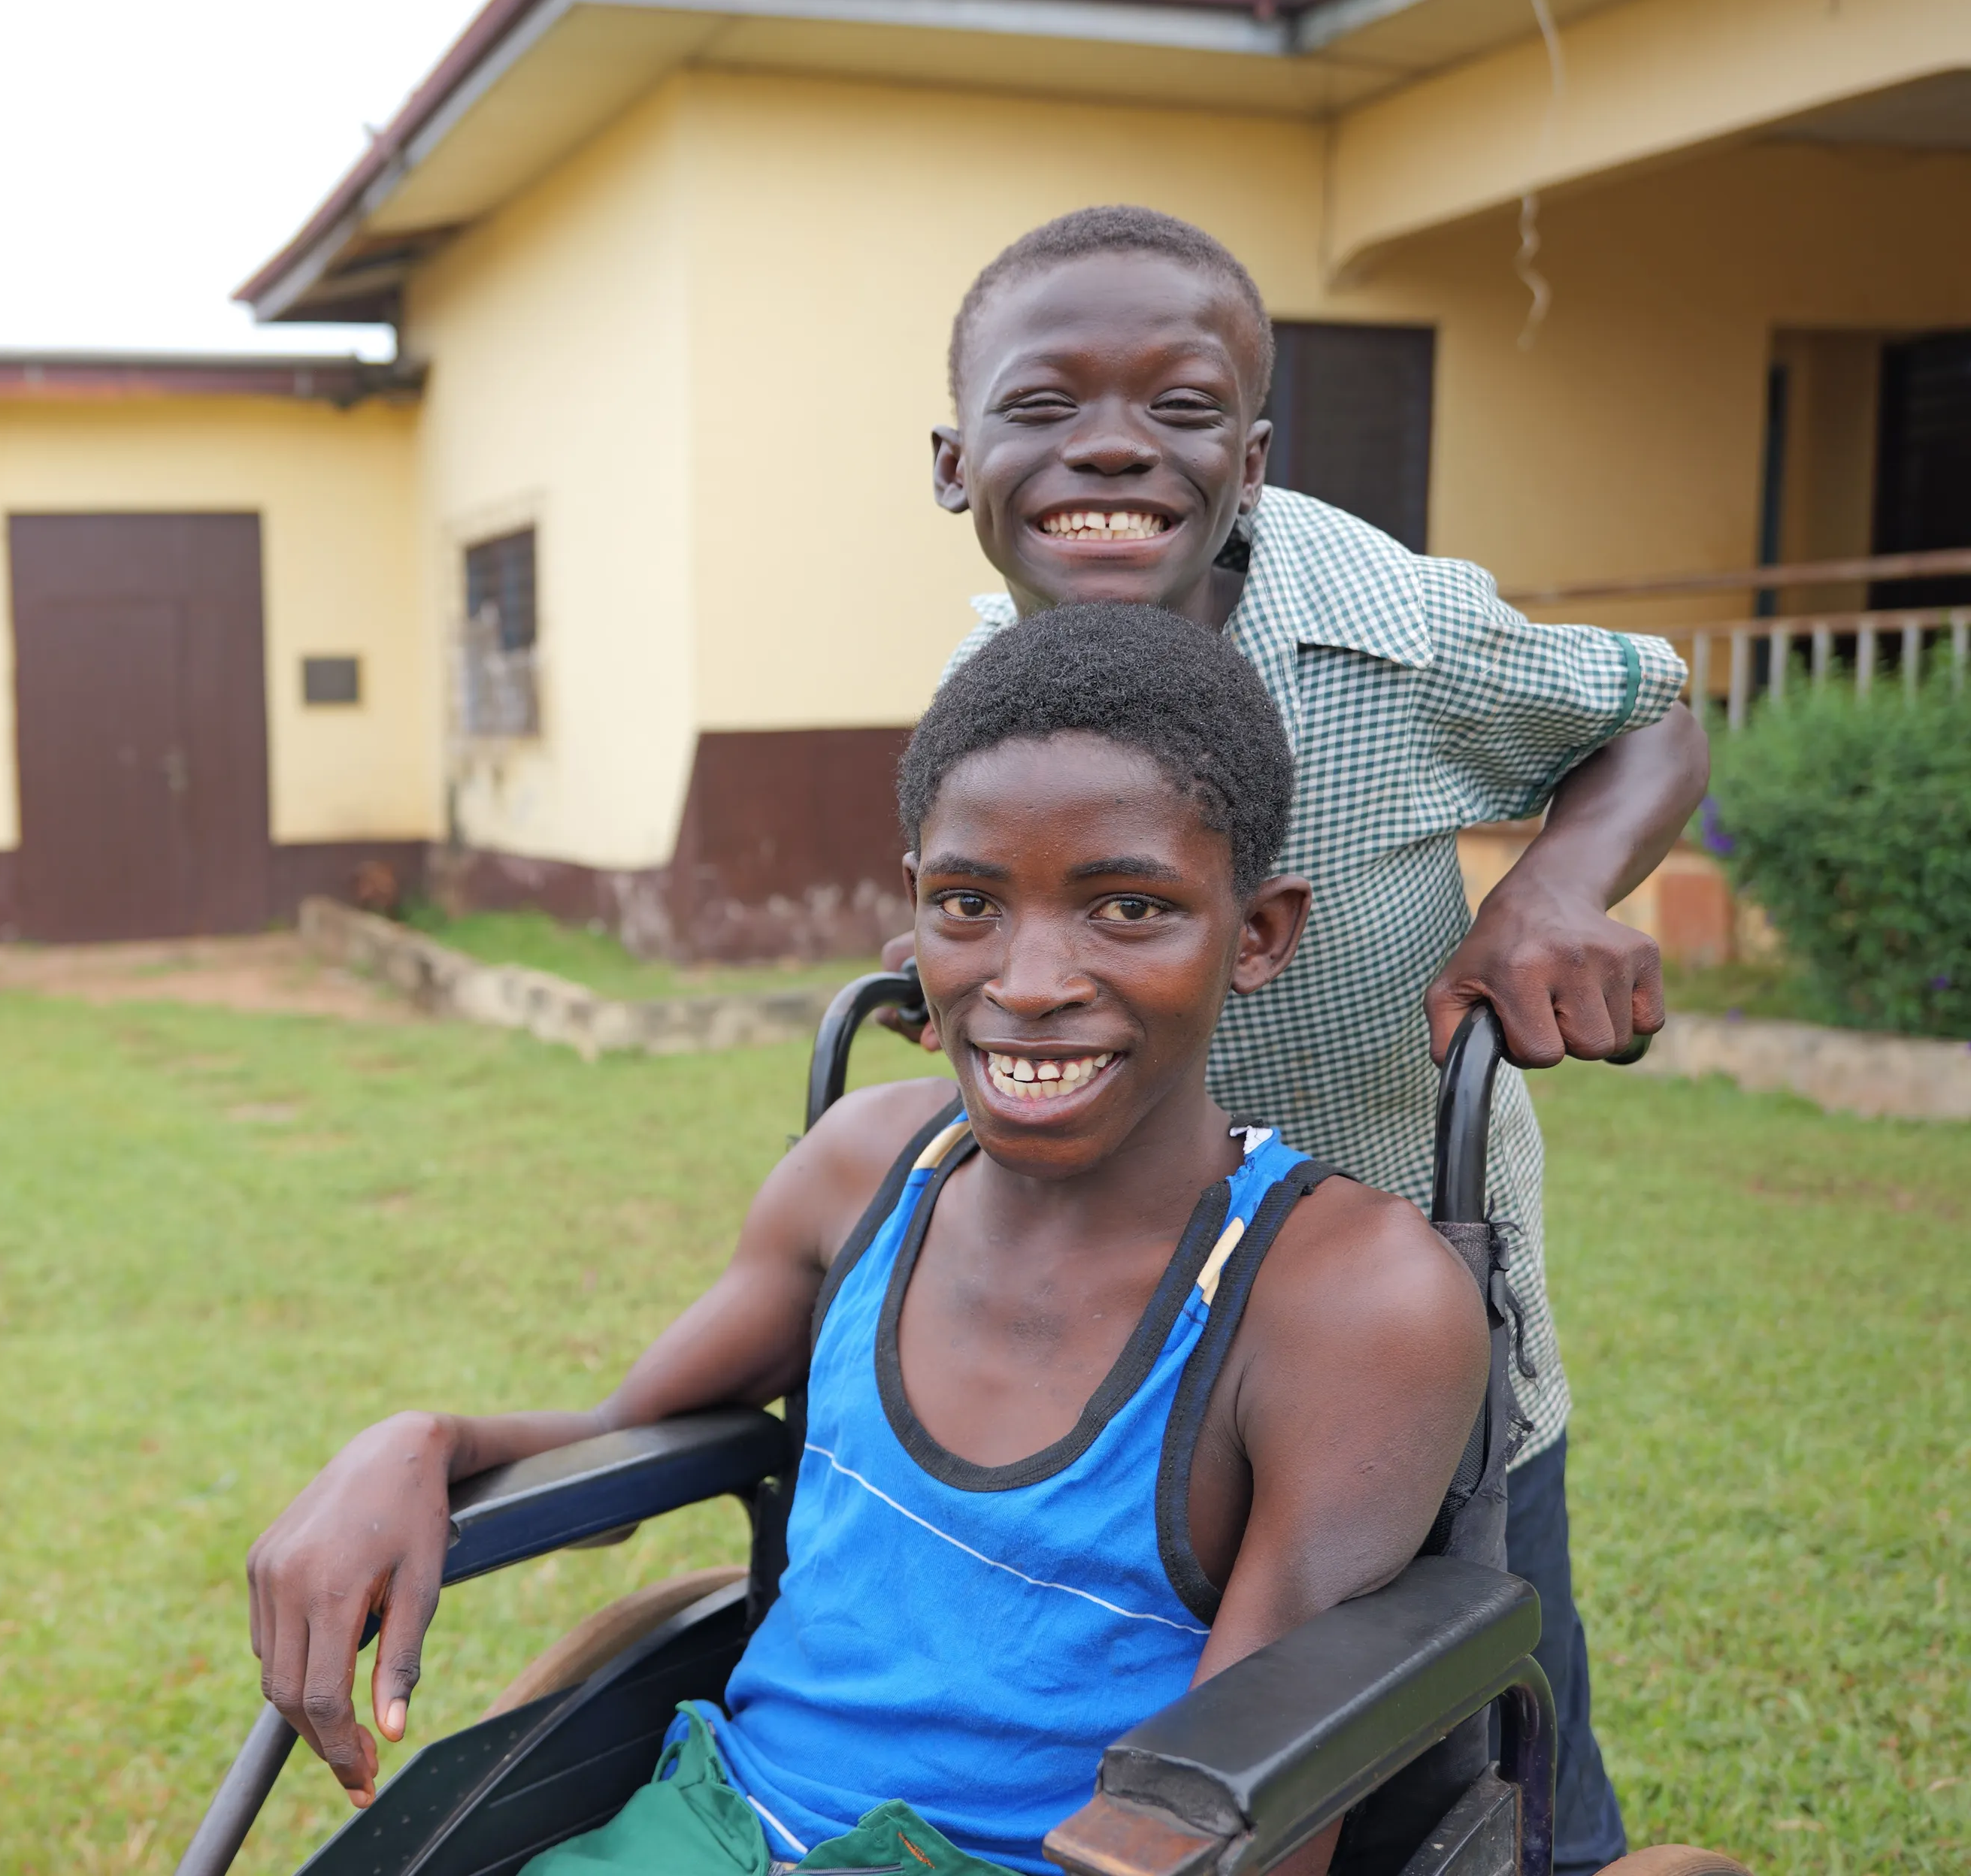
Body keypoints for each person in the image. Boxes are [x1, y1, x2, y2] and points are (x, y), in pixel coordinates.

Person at [247, 604, 1490, 1876]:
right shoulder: (863, 1168)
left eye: (1127, 909)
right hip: (711, 1831)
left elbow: (1255, 1797)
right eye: (970, 903)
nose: (1029, 981)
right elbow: (630, 1444)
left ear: (1259, 934)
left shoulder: (1349, 1302)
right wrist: (418, 1445)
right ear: (913, 907)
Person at [898, 205, 1710, 1876]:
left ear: (1254, 457)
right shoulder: (989, 679)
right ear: (953, 458)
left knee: (1481, 1716)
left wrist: (1549, 890)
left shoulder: (1388, 631)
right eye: (1044, 407)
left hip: (1394, 1310)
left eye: (1181, 408)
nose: (1113, 445)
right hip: (1119, 1345)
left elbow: (1653, 711)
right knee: (1164, 1703)